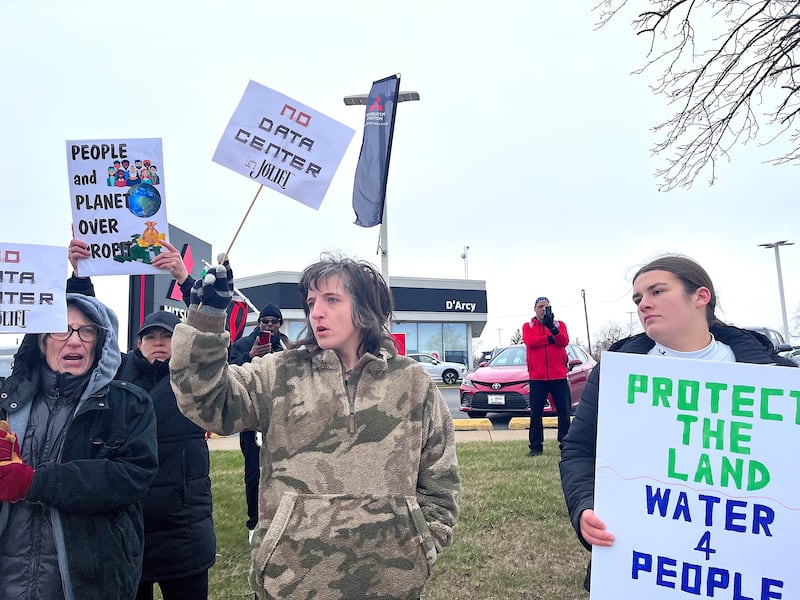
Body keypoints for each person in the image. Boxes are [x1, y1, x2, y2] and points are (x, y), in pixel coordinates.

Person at [170, 254, 460, 600]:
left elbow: (440, 482)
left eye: (331, 299)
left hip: (391, 584)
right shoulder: (277, 373)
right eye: (311, 302)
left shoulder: (413, 382)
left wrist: (420, 548)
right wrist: (207, 319)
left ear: (366, 308)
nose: (316, 312)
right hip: (291, 582)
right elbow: (207, 401)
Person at [559, 254, 797, 591]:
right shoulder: (616, 373)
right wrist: (584, 507)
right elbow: (578, 451)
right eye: (639, 298)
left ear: (701, 297)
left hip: (745, 566)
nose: (644, 304)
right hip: (642, 571)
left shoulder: (773, 379)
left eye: (657, 292)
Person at [0, 294, 158, 599]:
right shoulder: (7, 404)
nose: (74, 341)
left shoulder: (128, 404)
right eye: (61, 329)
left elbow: (132, 477)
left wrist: (36, 483)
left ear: (99, 343)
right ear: (41, 341)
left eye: (86, 331)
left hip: (86, 582)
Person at [116, 310, 216, 600]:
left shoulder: (195, 380)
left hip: (184, 526)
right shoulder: (117, 374)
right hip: (131, 523)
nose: (158, 342)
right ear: (138, 343)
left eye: (168, 336)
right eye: (151, 336)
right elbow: (92, 335)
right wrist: (81, 280)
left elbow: (211, 345)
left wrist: (187, 283)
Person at [228, 302, 290, 543]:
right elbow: (230, 371)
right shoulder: (244, 344)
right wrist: (250, 356)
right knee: (254, 471)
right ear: (259, 323)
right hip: (251, 418)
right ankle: (254, 521)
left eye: (275, 322)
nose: (270, 326)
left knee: (283, 470)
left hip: (281, 417)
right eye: (266, 321)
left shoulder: (287, 347)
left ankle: (279, 518)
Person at [522, 296, 571, 456]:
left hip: (558, 375)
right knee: (536, 413)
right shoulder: (528, 326)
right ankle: (535, 447)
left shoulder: (559, 325)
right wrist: (551, 338)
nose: (543, 309)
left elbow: (563, 341)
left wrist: (552, 328)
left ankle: (566, 445)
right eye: (540, 306)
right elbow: (531, 342)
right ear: (535, 309)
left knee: (564, 412)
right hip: (537, 377)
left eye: (546, 307)